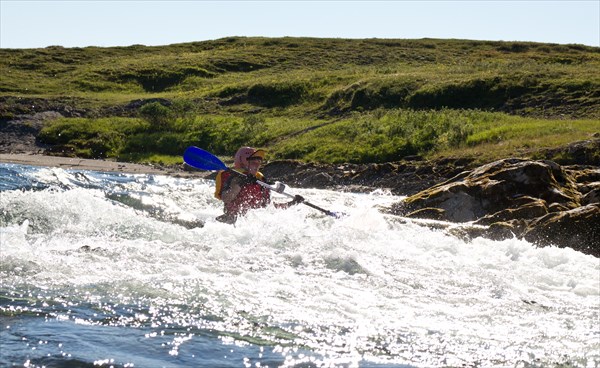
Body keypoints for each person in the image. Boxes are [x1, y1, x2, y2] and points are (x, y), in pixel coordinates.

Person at [214, 146, 304, 224]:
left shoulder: (260, 181)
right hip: (232, 220)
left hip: (253, 222)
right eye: (253, 162)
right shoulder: (235, 178)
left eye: (259, 162)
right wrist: (241, 183)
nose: (257, 165)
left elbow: (270, 209)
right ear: (243, 161)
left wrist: (293, 203)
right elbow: (226, 198)